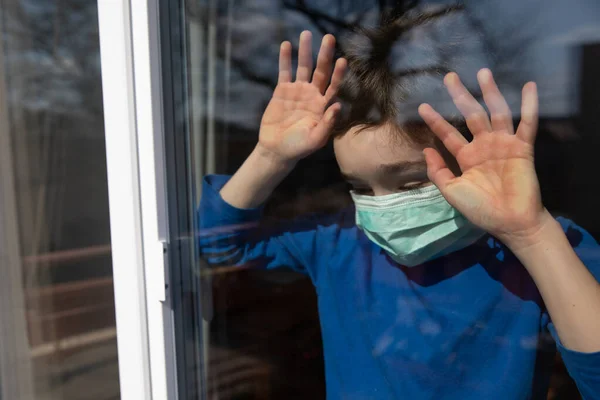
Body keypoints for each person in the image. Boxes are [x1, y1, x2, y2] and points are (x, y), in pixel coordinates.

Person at [198, 19, 600, 400]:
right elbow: (218, 247)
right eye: (358, 186)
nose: (383, 206)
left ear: (473, 161)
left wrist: (530, 234)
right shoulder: (339, 243)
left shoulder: (543, 249)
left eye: (411, 183)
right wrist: (270, 156)